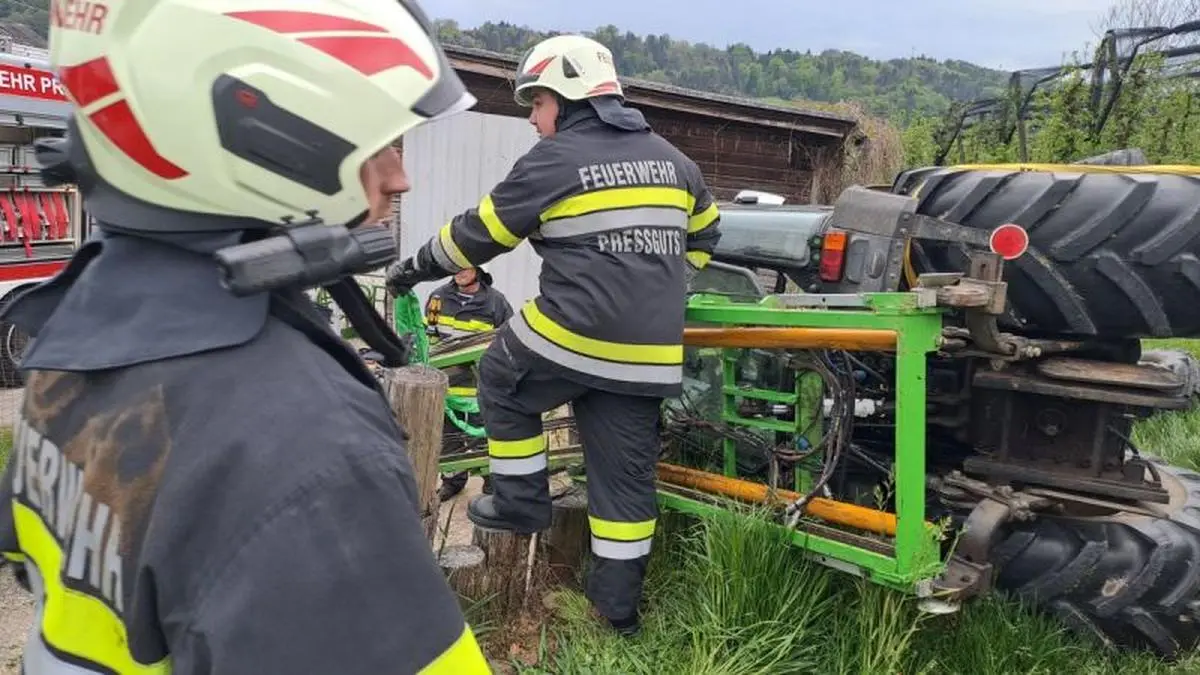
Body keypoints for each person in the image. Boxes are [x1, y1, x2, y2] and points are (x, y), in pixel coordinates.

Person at [0, 1, 491, 673]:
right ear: (266, 138)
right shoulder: (309, 449)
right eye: (379, 142)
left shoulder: (67, 335)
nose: (400, 176)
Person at [387, 34, 723, 636]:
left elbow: (476, 236)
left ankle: (520, 502)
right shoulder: (678, 163)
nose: (535, 123)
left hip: (571, 332)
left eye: (536, 106)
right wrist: (664, 286)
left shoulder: (555, 160)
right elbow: (706, 235)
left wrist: (412, 267)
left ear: (565, 99)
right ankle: (617, 616)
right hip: (648, 354)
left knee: (500, 375)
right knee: (624, 488)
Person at [425, 265, 513, 500]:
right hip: (447, 386)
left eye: (465, 267)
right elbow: (430, 337)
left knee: (484, 434)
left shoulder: (496, 303)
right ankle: (453, 480)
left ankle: (491, 481)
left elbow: (507, 344)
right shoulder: (438, 297)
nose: (458, 271)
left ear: (479, 269)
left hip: (478, 387)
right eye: (455, 266)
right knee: (448, 437)